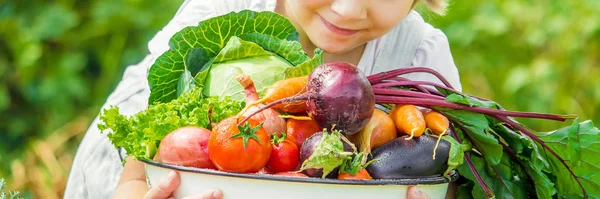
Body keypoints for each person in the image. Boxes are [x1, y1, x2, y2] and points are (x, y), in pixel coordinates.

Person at [63, 0, 461, 198]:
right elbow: (137, 171)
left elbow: (452, 177)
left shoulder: (421, 58)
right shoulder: (225, 10)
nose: (348, 10)